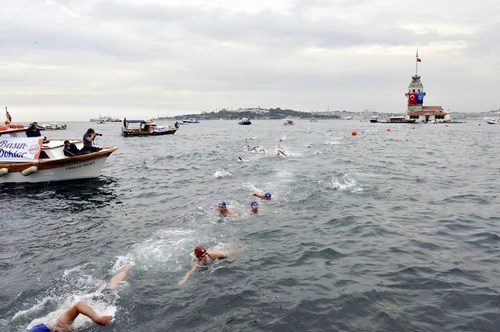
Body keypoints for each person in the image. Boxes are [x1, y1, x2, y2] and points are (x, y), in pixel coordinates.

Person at [29, 266, 131, 332]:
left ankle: (126, 268)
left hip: (94, 306)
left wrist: (97, 319)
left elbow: (79, 305)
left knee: (111, 288)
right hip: (77, 310)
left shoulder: (61, 325)